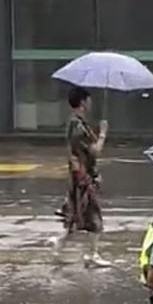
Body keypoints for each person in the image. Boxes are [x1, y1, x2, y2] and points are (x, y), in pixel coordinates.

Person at [50, 85, 109, 266]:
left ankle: (60, 244)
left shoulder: (76, 123)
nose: (91, 103)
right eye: (88, 99)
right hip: (83, 180)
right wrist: (103, 133)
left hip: (80, 178)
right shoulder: (79, 127)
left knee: (76, 218)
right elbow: (95, 150)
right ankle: (91, 255)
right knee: (94, 218)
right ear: (83, 102)